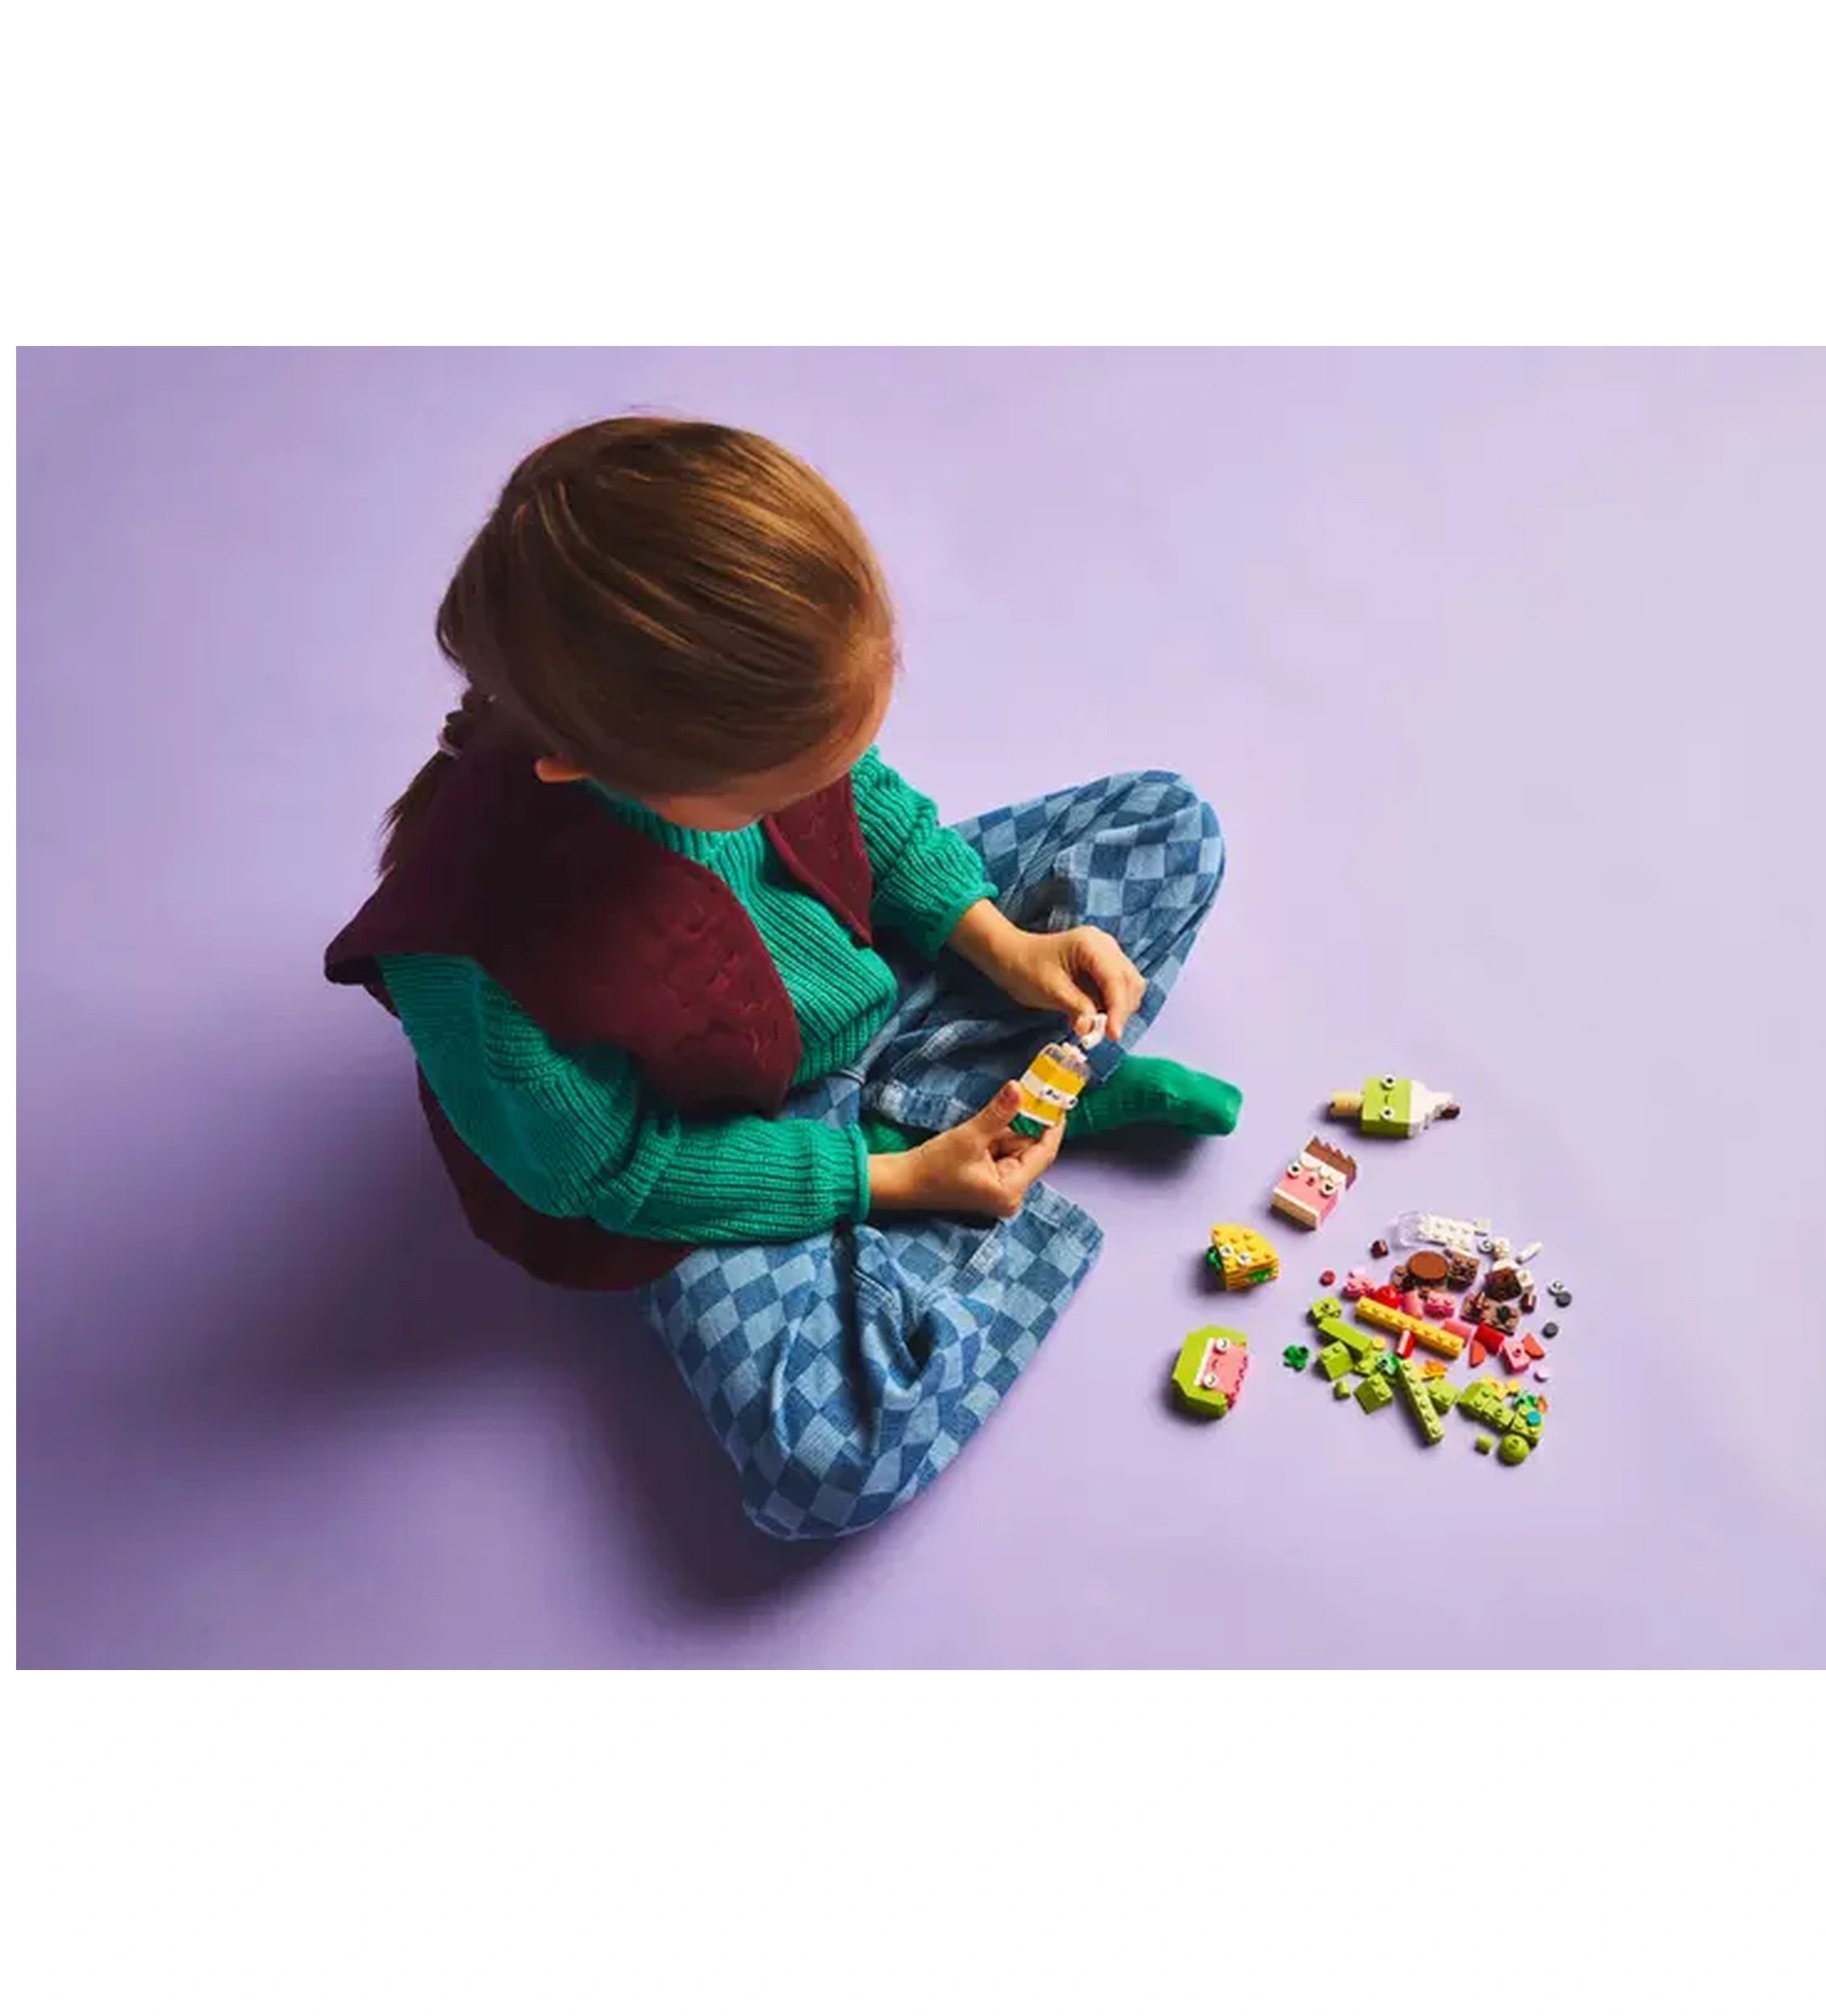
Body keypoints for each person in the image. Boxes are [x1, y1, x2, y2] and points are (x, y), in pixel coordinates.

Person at [326, 417, 1240, 1539]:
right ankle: (957, 1138)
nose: (835, 782)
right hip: (712, 1143)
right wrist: (885, 1182)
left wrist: (1000, 942)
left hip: (861, 981)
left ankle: (970, 1117)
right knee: (827, 1460)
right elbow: (620, 1174)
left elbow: (874, 809)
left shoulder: (730, 718)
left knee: (1170, 822)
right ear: (591, 767)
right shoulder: (484, 961)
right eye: (786, 783)